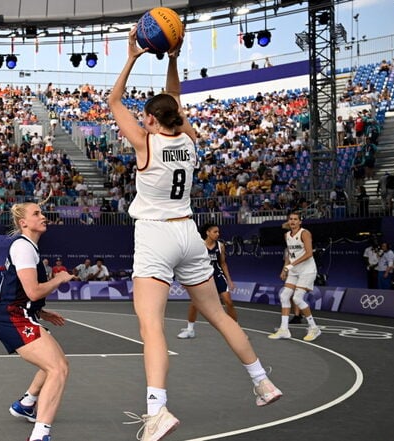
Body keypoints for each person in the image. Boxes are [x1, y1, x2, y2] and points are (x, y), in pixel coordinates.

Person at [107, 28, 281, 441]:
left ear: (150, 119)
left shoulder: (145, 143)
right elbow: (175, 105)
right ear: (176, 118)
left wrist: (132, 56)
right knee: (218, 314)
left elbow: (113, 101)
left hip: (154, 235)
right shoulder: (188, 139)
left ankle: (157, 411)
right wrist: (171, 58)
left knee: (151, 326)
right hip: (188, 231)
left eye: (147, 115)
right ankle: (262, 381)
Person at [0, 202, 75, 441]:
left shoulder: (29, 249)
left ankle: (26, 404)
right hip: (12, 318)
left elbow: (24, 294)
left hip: (19, 314)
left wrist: (41, 313)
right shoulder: (23, 247)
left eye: (42, 212)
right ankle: (39, 435)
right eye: (36, 213)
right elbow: (34, 291)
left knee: (57, 363)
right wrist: (59, 279)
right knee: (57, 368)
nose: (43, 216)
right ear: (23, 222)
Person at [268, 211, 322, 341]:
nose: (292, 221)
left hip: (307, 271)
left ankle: (314, 328)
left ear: (300, 221)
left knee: (297, 298)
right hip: (293, 271)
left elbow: (309, 253)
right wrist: (284, 269)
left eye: (295, 219)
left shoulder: (305, 233)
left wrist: (291, 266)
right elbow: (289, 254)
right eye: (290, 219)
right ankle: (284, 330)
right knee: (284, 296)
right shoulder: (287, 235)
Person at [177, 223, 238, 339]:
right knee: (195, 304)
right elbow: (191, 263)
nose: (217, 234)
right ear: (207, 233)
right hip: (203, 276)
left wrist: (229, 280)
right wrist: (186, 280)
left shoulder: (220, 246)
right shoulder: (199, 245)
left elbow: (223, 263)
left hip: (217, 275)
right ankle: (190, 330)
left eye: (218, 232)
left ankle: (235, 329)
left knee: (228, 301)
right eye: (215, 232)